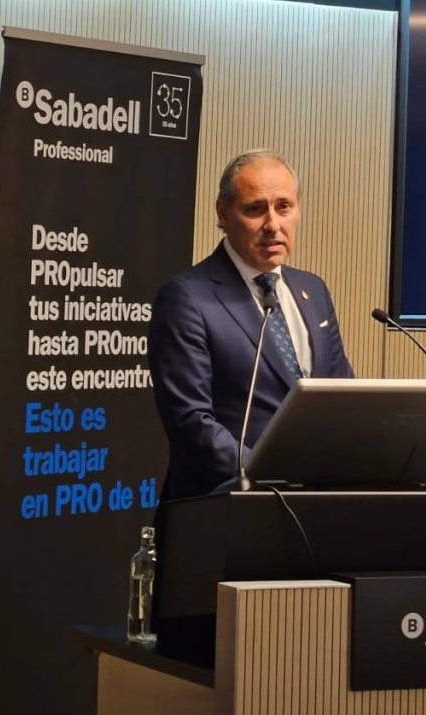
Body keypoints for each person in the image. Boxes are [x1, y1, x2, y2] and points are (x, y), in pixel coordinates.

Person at [148, 149, 354, 502]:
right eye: (255, 209)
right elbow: (191, 423)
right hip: (226, 507)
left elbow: (342, 398)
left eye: (284, 207)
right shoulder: (187, 298)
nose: (273, 225)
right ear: (223, 213)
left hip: (315, 506)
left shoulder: (313, 291)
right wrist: (271, 478)